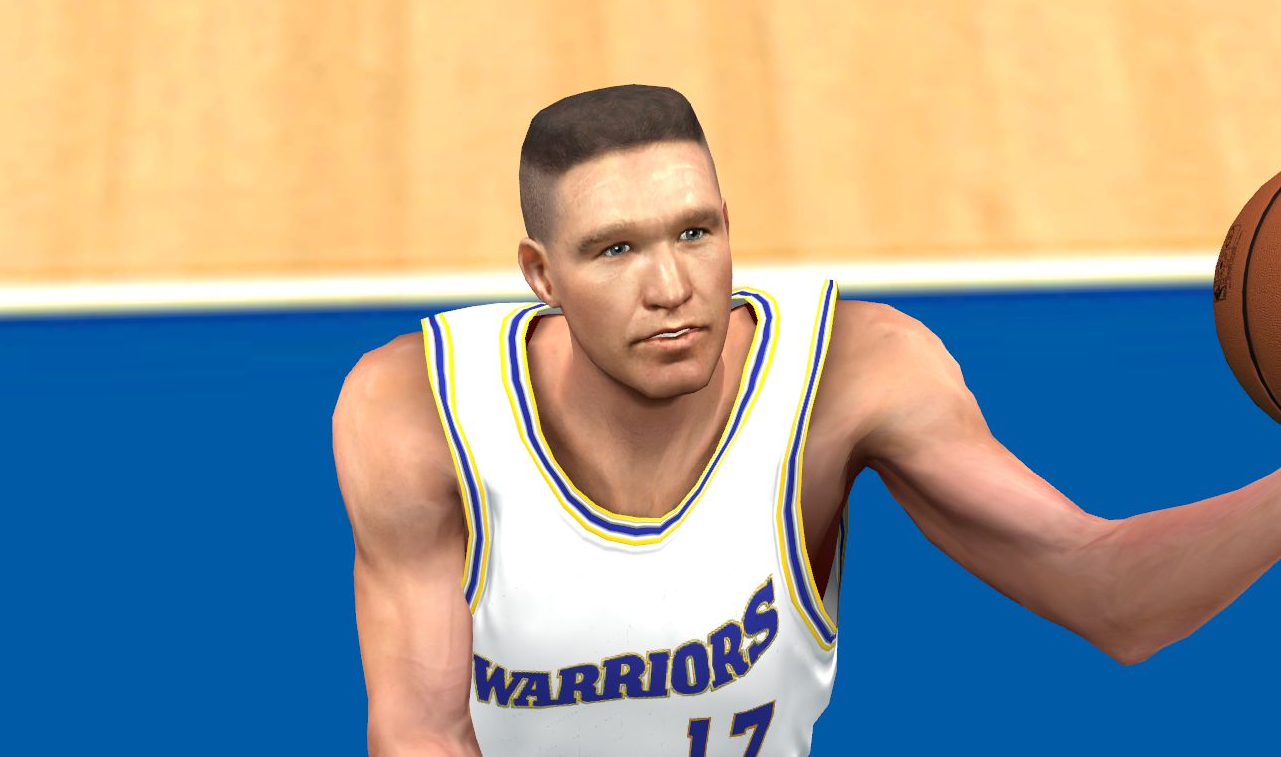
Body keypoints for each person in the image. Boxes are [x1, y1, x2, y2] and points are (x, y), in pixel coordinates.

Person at [331, 84, 1281, 756]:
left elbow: (1107, 591)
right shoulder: (418, 411)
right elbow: (420, 731)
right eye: (615, 250)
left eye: (695, 232)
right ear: (541, 275)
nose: (671, 287)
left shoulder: (852, 376)